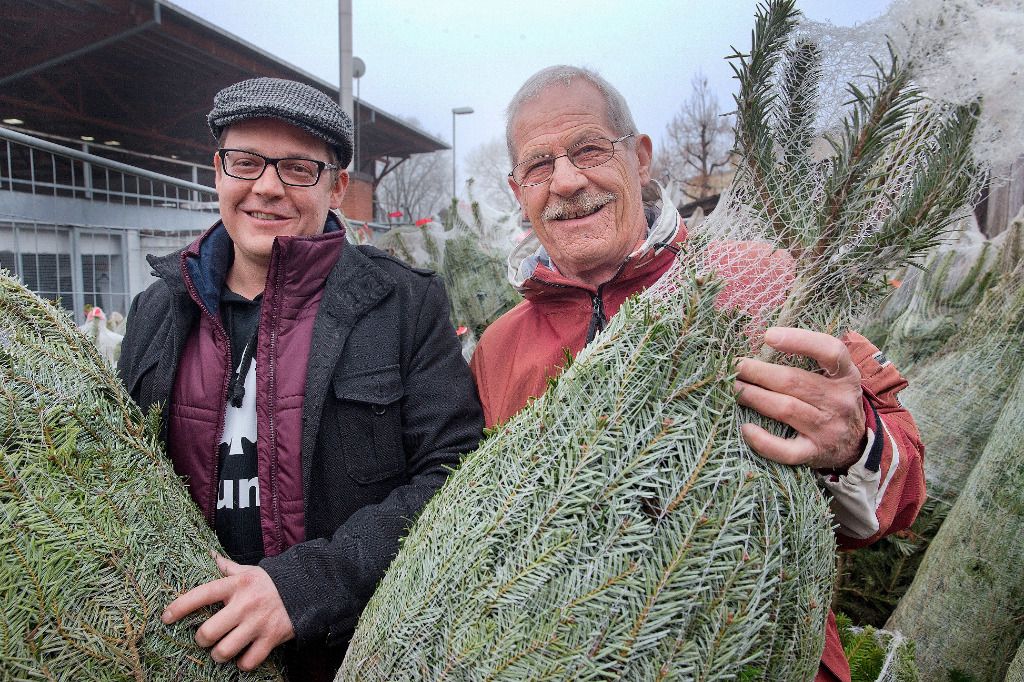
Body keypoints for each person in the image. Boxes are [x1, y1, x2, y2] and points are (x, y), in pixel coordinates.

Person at [470, 65, 925, 682]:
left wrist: (854, 443)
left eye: (589, 150)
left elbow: (901, 479)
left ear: (641, 157)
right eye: (539, 166)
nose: (568, 181)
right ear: (517, 188)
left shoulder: (760, 283)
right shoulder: (498, 347)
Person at [118, 77, 483, 680]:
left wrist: (304, 586)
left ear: (337, 185)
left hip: (350, 657)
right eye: (246, 162)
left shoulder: (401, 306)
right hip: (182, 652)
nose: (266, 187)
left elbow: (454, 475)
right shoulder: (158, 311)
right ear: (217, 171)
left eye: (297, 168)